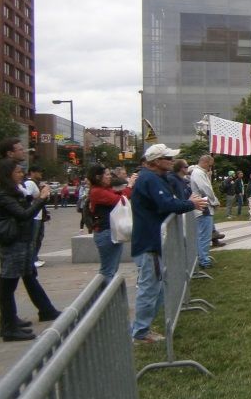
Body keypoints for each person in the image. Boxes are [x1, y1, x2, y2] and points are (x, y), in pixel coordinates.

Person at [130, 144, 208, 344]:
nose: (172, 162)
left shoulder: (155, 178)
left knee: (157, 289)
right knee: (150, 289)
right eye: (168, 158)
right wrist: (191, 204)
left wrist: (186, 201)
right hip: (149, 242)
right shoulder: (149, 179)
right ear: (156, 161)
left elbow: (171, 199)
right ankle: (140, 331)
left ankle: (142, 328)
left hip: (153, 241)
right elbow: (166, 204)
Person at [0, 158, 60, 341]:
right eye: (17, 172)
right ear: (8, 174)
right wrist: (41, 199)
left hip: (21, 242)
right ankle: (9, 327)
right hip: (12, 243)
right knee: (7, 285)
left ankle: (11, 323)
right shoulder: (3, 194)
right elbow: (24, 215)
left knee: (13, 283)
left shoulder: (15, 191)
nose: (21, 174)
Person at [87, 164, 136, 282]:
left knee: (110, 269)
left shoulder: (103, 189)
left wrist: (128, 187)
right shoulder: (97, 191)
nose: (110, 177)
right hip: (105, 233)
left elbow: (118, 195)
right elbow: (120, 200)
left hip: (110, 232)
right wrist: (130, 186)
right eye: (107, 174)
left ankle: (103, 296)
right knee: (108, 270)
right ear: (98, 177)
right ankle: (103, 297)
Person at [189, 155, 221, 269]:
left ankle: (203, 257)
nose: (210, 168)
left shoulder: (200, 172)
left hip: (203, 206)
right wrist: (214, 201)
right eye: (210, 165)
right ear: (205, 162)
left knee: (203, 235)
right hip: (204, 207)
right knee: (204, 235)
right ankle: (204, 260)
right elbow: (205, 188)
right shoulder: (198, 173)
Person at [24, 166, 49, 267]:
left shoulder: (36, 183)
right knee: (33, 239)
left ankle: (35, 257)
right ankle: (32, 259)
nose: (41, 174)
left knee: (38, 237)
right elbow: (28, 198)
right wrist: (42, 194)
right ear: (32, 172)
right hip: (34, 216)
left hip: (38, 215)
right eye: (39, 172)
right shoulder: (29, 183)